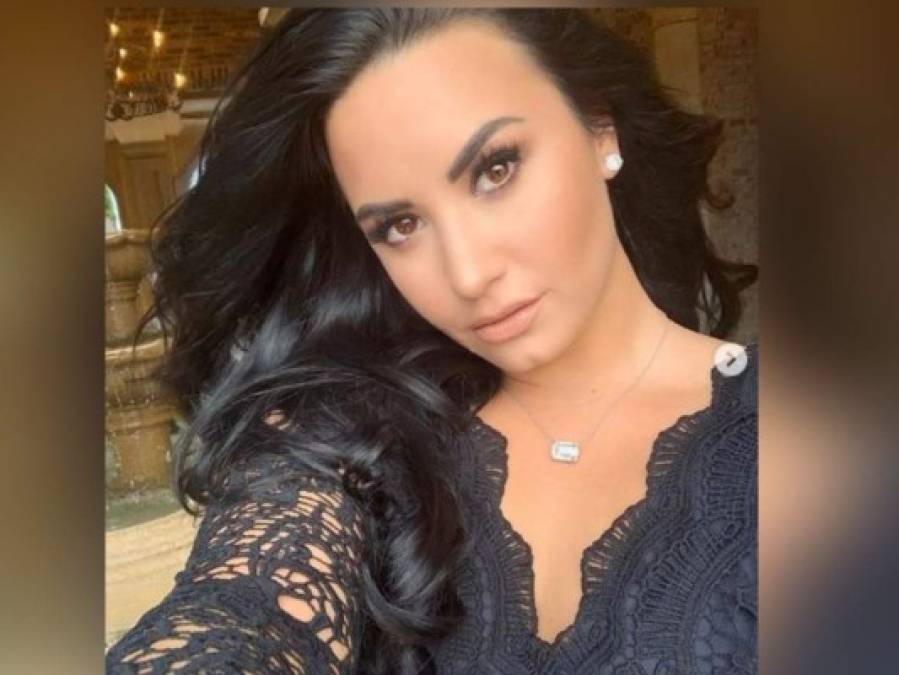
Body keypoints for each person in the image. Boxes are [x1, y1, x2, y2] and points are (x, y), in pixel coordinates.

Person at [106, 8, 758, 674]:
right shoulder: (351, 439)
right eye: (400, 225)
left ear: (599, 129)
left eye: (496, 169)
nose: (468, 274)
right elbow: (241, 608)